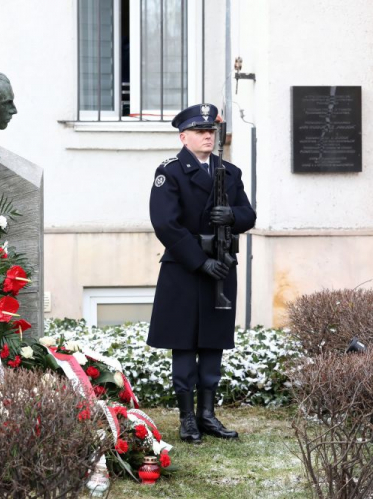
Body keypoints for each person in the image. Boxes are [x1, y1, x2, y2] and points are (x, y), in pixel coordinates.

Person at [147, 103, 256, 444]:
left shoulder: (230, 172)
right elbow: (166, 223)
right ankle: (186, 419)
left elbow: (248, 214)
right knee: (184, 344)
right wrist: (199, 260)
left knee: (213, 344)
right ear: (184, 137)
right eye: (199, 131)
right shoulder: (170, 172)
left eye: (211, 131)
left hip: (221, 267)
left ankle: (207, 415)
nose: (208, 136)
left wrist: (232, 217)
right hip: (185, 268)